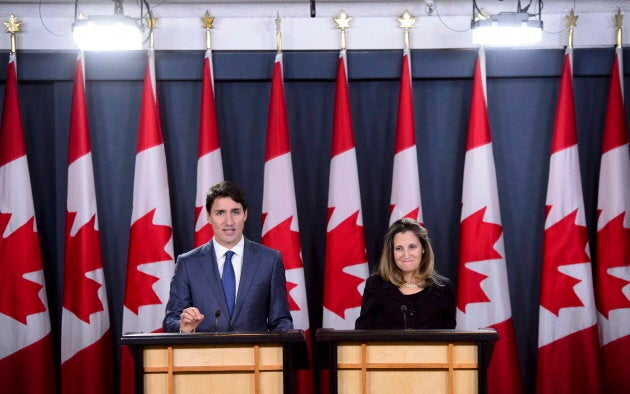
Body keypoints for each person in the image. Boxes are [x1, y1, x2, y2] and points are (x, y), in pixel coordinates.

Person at [163, 181, 293, 333]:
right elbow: (170, 320)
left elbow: (281, 321)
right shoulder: (187, 263)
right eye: (220, 213)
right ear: (208, 217)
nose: (229, 222)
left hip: (255, 355)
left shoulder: (270, 260)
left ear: (245, 214)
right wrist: (183, 327)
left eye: (235, 212)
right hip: (204, 355)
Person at [355, 218, 456, 330]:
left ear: (423, 248)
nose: (406, 255)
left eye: (412, 247)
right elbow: (361, 335)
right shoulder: (376, 285)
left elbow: (449, 339)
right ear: (391, 252)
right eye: (399, 248)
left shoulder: (443, 288)